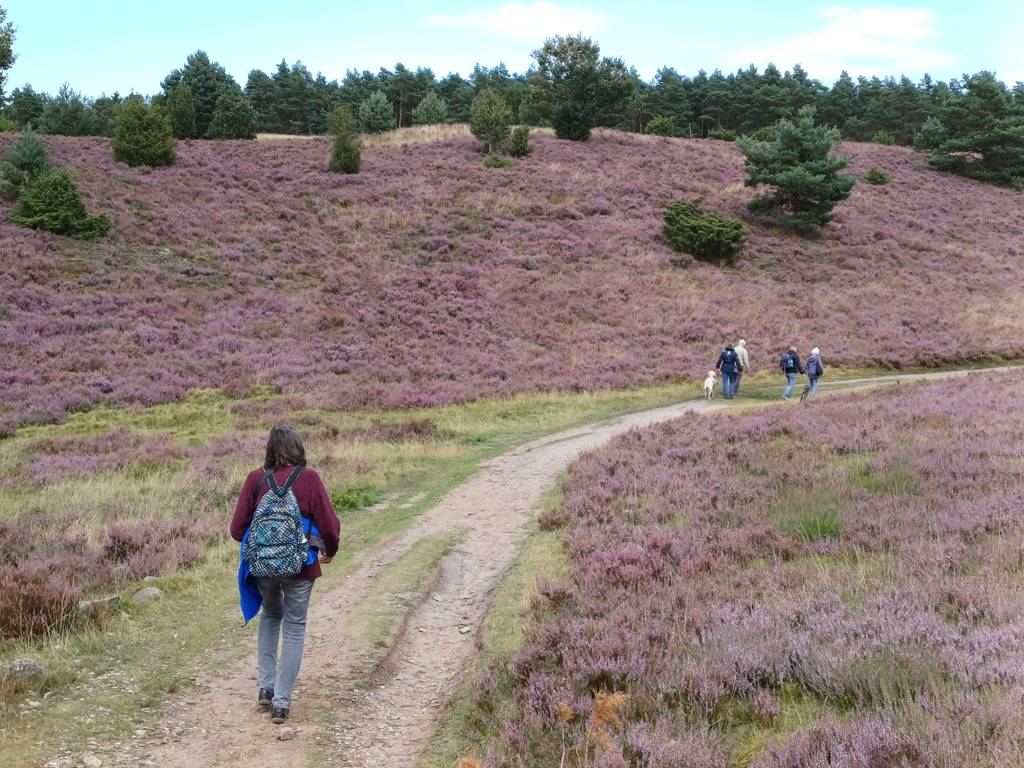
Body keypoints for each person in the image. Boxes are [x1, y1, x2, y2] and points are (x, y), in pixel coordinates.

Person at [230, 424, 341, 725]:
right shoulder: (310, 478)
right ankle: (281, 703)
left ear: (270, 448)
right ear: (298, 448)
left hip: (263, 568)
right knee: (294, 626)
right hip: (301, 566)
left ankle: (265, 688)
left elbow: (237, 530)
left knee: (270, 615)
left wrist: (266, 544)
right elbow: (330, 525)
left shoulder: (255, 479)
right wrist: (330, 549)